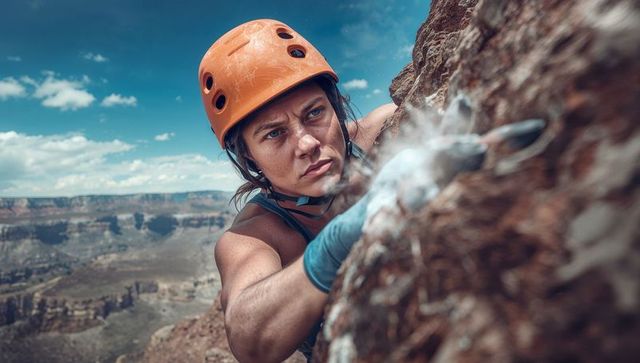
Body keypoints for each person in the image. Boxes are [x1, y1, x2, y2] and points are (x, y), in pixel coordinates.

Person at [198, 19, 544, 362]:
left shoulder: (383, 131)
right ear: (248, 156)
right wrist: (332, 249)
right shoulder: (254, 236)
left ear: (336, 106)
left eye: (314, 112)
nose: (306, 143)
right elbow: (249, 340)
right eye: (274, 134)